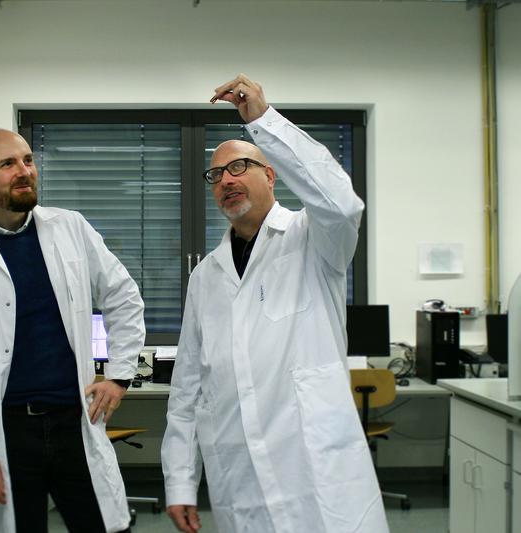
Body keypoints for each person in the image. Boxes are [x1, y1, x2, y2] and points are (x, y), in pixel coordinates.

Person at [161, 75, 389, 533]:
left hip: (316, 475)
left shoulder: (314, 241)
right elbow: (188, 386)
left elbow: (342, 205)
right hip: (240, 479)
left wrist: (263, 121)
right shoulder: (206, 276)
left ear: (270, 174)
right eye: (216, 174)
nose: (226, 180)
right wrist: (181, 482)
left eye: (239, 166)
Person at [0, 128, 145, 533]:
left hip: (74, 422)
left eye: (28, 160)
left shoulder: (71, 228)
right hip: (8, 432)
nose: (24, 171)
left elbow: (123, 296)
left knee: (107, 528)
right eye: (7, 164)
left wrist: (118, 375)